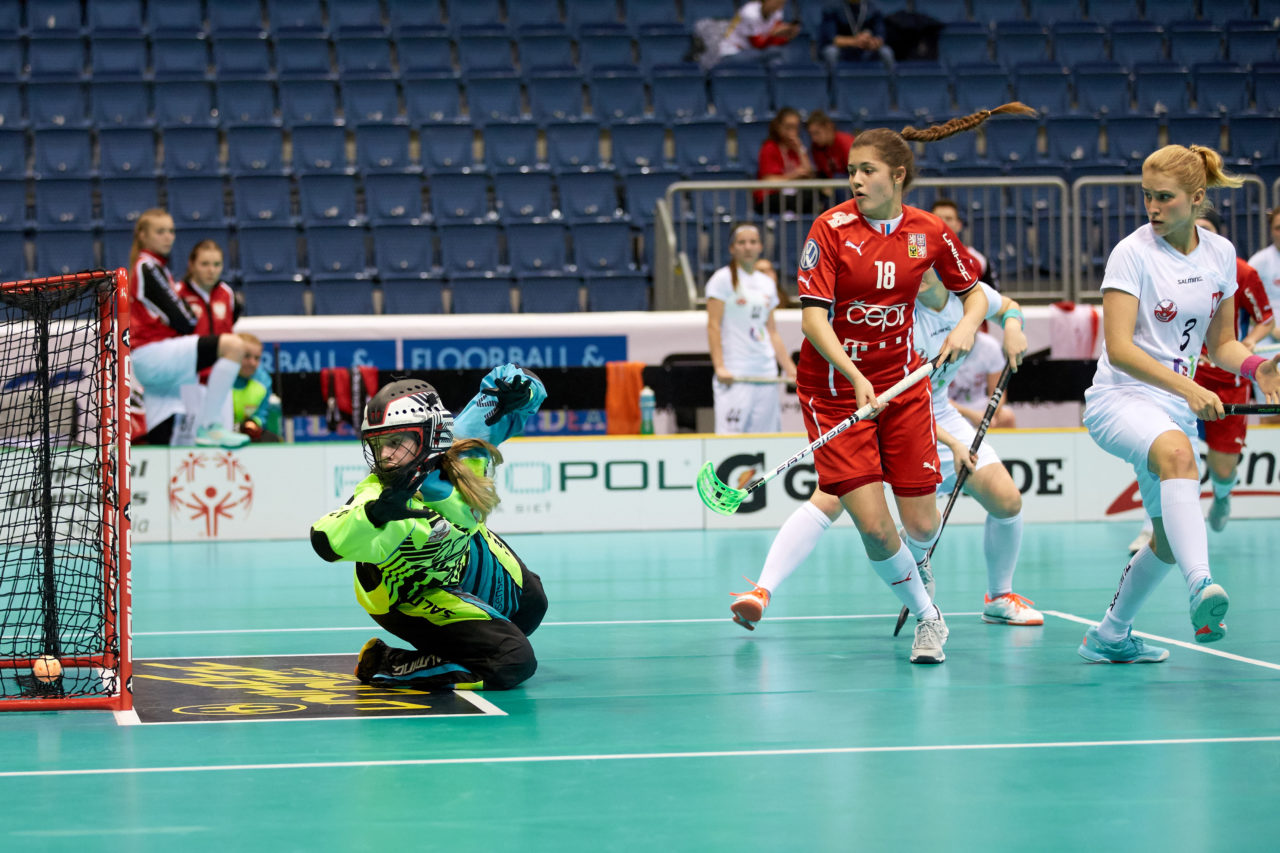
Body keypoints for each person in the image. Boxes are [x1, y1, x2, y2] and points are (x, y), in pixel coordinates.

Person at [747, 102, 1036, 665]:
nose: (855, 178)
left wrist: (969, 328)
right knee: (877, 529)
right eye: (852, 168)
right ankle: (930, 617)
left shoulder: (927, 231)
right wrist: (854, 376)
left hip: (901, 387)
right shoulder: (828, 229)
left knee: (921, 524)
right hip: (834, 391)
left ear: (897, 176)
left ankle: (929, 577)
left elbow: (977, 294)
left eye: (867, 170)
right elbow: (812, 319)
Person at [731, 268, 1042, 634]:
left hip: (939, 411)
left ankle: (999, 598)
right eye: (916, 268)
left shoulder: (969, 299)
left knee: (1007, 500)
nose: (921, 273)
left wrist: (1013, 328)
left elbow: (1009, 306)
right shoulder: (898, 316)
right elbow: (903, 402)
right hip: (895, 414)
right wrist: (955, 444)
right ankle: (762, 591)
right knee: (830, 497)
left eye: (930, 267)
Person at [1078, 144, 1280, 664]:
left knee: (1167, 537)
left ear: (1196, 199)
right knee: (1180, 457)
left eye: (1163, 198)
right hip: (1120, 396)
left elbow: (1221, 345)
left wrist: (1258, 368)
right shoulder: (1133, 252)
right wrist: (1189, 388)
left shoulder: (1219, 254)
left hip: (1170, 404)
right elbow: (1120, 350)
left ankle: (1109, 635)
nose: (1151, 208)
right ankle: (1202, 586)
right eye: (1146, 196)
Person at [311, 365, 550, 691]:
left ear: (430, 435)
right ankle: (386, 663)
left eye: (396, 442)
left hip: (458, 556)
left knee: (532, 606)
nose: (386, 456)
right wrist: (376, 514)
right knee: (510, 661)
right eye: (379, 445)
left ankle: (452, 641)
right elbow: (326, 539)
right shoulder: (380, 494)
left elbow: (512, 394)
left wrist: (522, 387)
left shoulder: (463, 443)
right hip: (408, 593)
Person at [128, 210, 249, 448]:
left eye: (171, 231)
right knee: (234, 346)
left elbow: (182, 319)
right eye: (160, 231)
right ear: (142, 235)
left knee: (174, 440)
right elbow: (185, 321)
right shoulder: (147, 267)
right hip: (156, 355)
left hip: (171, 369)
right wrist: (186, 314)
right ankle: (210, 425)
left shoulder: (224, 294)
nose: (168, 237)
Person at [706, 223, 798, 433]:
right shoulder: (722, 280)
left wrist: (790, 368)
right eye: (742, 242)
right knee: (731, 440)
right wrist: (720, 366)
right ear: (732, 248)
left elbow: (772, 332)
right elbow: (713, 326)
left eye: (753, 242)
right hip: (735, 375)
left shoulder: (766, 283)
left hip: (765, 374)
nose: (747, 247)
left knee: (764, 443)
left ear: (760, 247)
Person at [1246, 207, 1280, 424]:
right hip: (1267, 344)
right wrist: (1271, 328)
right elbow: (1245, 307)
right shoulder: (1258, 263)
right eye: (1278, 228)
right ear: (1271, 231)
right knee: (1271, 411)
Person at [755, 107, 818, 215]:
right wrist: (794, 175)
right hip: (771, 196)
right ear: (779, 127)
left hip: (793, 194)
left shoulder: (795, 148)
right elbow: (769, 181)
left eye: (795, 127)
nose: (792, 131)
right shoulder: (770, 148)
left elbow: (808, 172)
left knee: (813, 197)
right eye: (788, 127)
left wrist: (800, 149)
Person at [948, 329, 1016, 429]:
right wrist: (971, 415)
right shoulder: (940, 345)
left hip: (980, 407)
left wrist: (987, 415)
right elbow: (934, 398)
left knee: (1007, 417)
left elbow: (998, 393)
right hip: (948, 408)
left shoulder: (991, 346)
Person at [931, 198, 997, 289]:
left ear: (959, 225)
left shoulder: (979, 260)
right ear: (928, 223)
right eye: (937, 218)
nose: (942, 222)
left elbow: (993, 295)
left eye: (948, 218)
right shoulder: (917, 255)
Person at [715, 0, 801, 68]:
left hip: (755, 52)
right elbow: (757, 44)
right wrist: (775, 34)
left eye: (782, 3)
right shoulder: (749, 12)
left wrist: (787, 36)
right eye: (777, 2)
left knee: (776, 58)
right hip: (733, 53)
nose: (779, 6)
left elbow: (773, 39)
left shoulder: (777, 12)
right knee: (775, 53)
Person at [232, 332, 284, 442]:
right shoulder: (220, 378)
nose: (252, 363)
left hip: (248, 432)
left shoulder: (263, 381)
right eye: (246, 356)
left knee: (272, 439)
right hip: (221, 432)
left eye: (257, 358)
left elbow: (262, 414)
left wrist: (252, 424)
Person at [819, 0, 893, 67]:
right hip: (843, 51)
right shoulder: (832, 7)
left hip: (867, 50)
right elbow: (833, 39)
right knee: (831, 52)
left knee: (886, 52)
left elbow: (880, 37)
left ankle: (890, 82)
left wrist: (871, 41)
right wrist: (856, 41)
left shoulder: (874, 7)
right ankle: (831, 81)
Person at [806, 110, 855, 180]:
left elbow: (856, 170)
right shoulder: (816, 147)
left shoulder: (846, 142)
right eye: (811, 134)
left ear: (828, 127)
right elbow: (823, 174)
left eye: (817, 133)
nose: (813, 138)